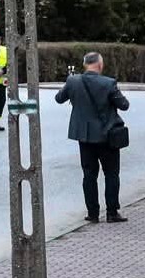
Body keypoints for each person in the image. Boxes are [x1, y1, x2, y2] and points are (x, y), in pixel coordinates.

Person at [54, 52, 131, 223]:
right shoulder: (109, 83)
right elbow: (124, 105)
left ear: (85, 64)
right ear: (100, 65)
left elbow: (59, 98)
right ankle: (112, 212)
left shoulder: (73, 81)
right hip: (107, 136)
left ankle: (93, 213)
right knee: (111, 174)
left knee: (89, 175)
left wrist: (70, 85)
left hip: (85, 137)